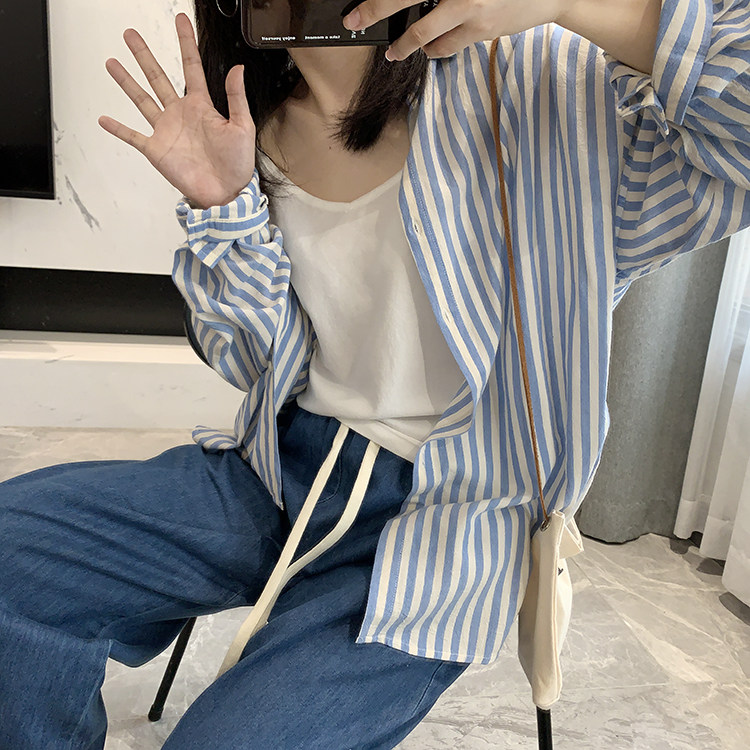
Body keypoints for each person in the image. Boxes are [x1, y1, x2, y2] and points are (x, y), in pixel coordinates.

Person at [1, 0, 749, 747]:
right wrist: (224, 207)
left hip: (446, 521)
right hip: (276, 478)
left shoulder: (547, 87)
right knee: (13, 555)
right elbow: (252, 362)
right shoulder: (251, 128)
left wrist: (574, 4)